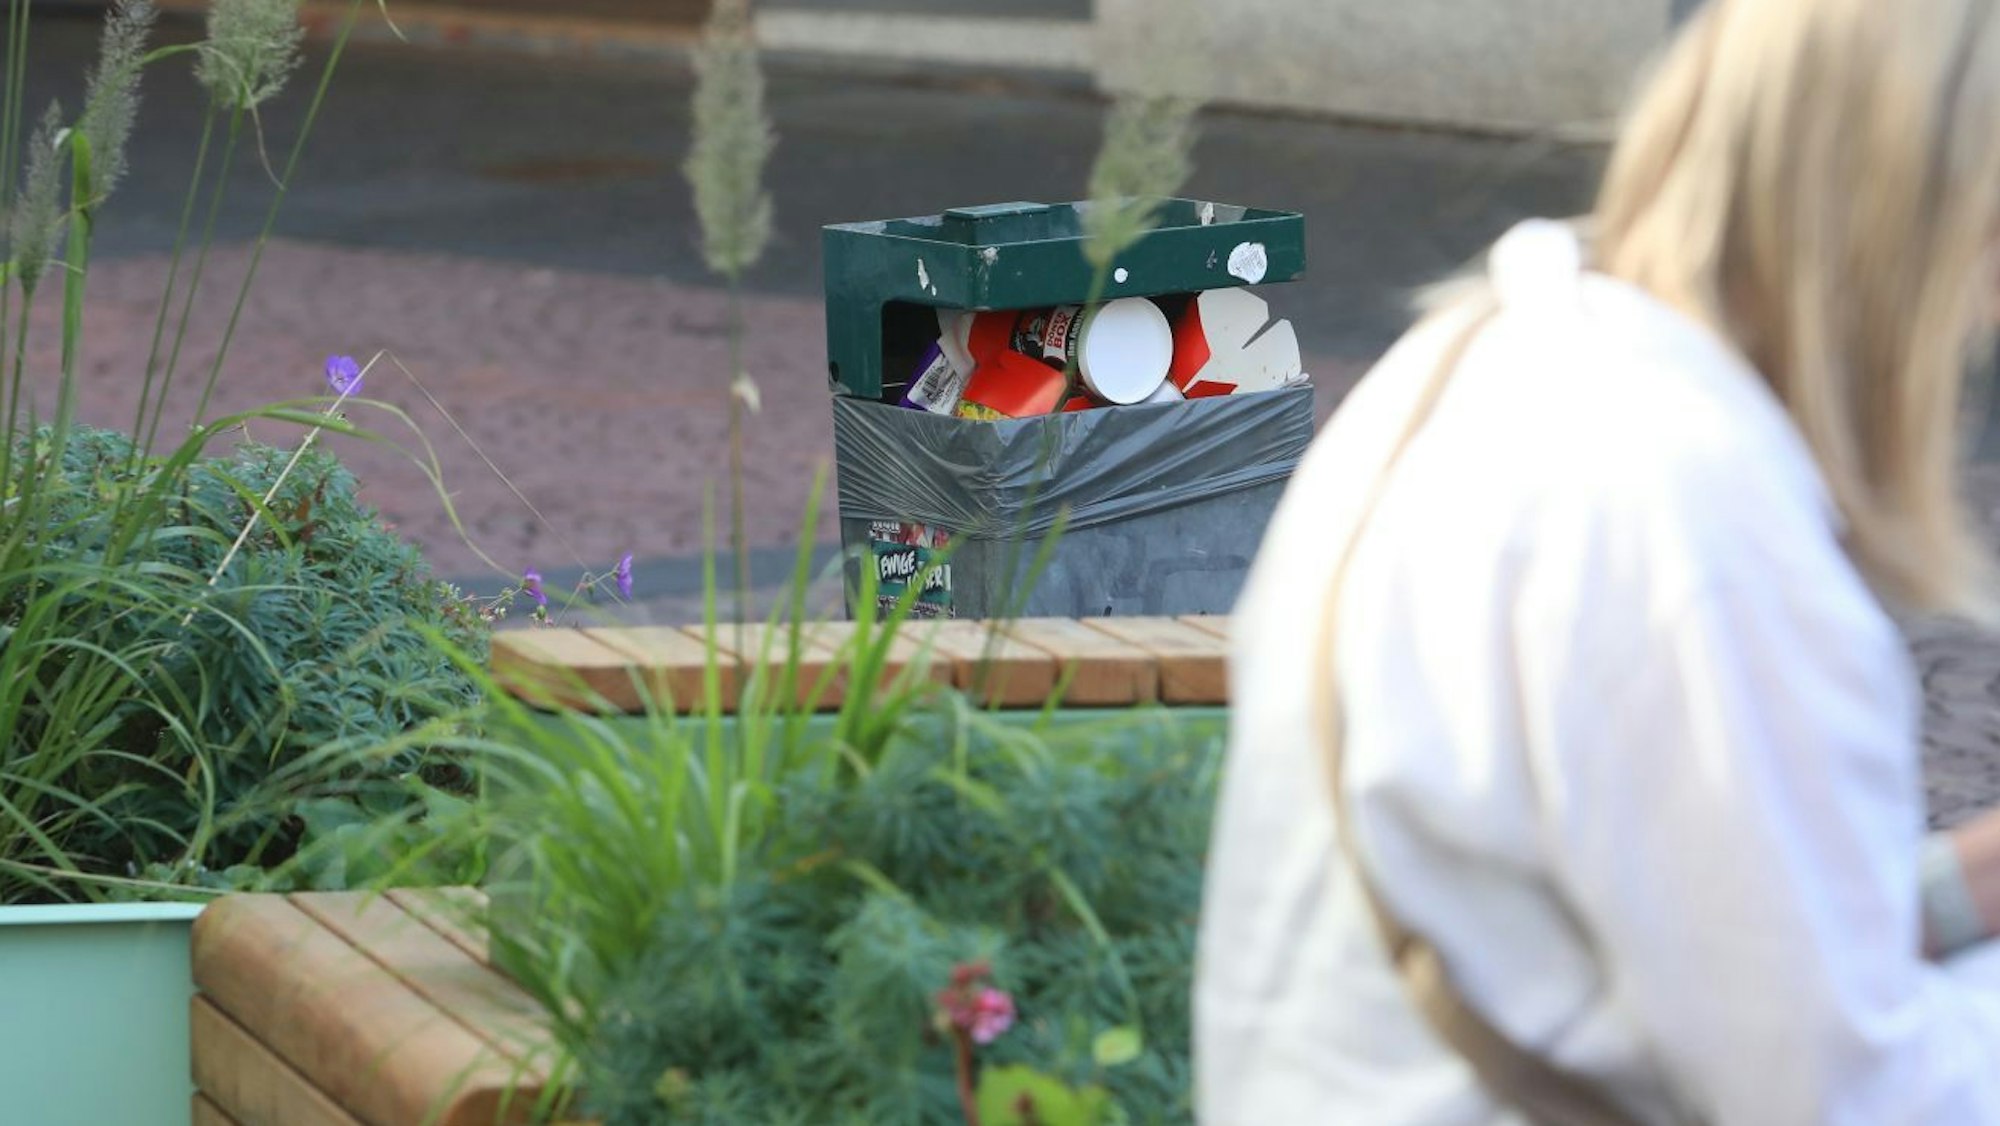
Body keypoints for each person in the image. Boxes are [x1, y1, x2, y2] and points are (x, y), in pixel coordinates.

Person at [1193, 0, 2000, 1121]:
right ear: (1909, 215)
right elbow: (1846, 1094)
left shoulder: (1490, 358)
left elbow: (1691, 929)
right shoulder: (1693, 517)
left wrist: (1963, 889)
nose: (1976, 320)